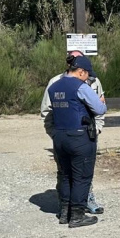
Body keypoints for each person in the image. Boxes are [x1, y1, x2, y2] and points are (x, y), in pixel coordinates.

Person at [41, 51, 106, 219]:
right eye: (87, 74)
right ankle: (77, 215)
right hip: (80, 136)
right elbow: (100, 109)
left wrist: (55, 134)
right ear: (81, 71)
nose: (88, 77)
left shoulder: (54, 86)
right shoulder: (80, 86)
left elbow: (49, 113)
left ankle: (64, 212)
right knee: (81, 176)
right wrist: (100, 103)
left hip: (60, 137)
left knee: (65, 174)